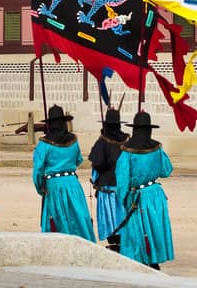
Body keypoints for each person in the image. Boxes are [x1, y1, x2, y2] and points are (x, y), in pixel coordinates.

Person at [113, 111, 174, 270]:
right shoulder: (157, 148)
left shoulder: (127, 152)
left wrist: (124, 199)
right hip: (155, 193)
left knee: (137, 229)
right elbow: (166, 170)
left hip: (137, 196)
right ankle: (153, 260)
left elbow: (122, 180)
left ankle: (141, 261)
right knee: (154, 227)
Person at [32, 105, 94, 241]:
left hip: (54, 185)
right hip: (72, 183)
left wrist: (41, 188)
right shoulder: (73, 141)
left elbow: (37, 171)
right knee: (78, 217)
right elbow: (78, 160)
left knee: (58, 219)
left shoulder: (44, 144)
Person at [88, 108, 127, 251]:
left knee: (111, 217)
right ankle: (121, 241)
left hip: (107, 187)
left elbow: (97, 163)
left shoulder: (103, 141)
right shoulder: (127, 141)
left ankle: (114, 243)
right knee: (122, 214)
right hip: (123, 186)